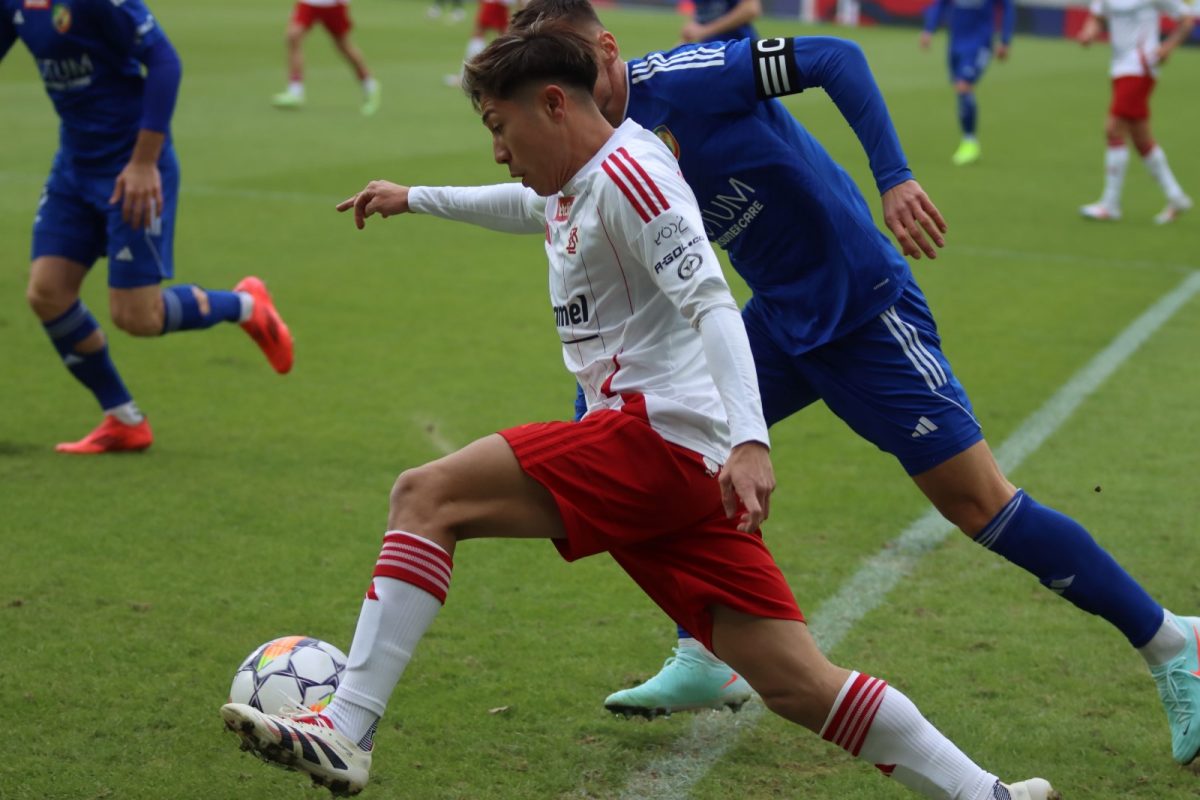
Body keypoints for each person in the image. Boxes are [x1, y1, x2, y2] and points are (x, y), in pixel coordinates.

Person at [220, 25, 1060, 800]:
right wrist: (418, 196)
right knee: (798, 681)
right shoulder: (582, 178)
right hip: (679, 469)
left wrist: (751, 441)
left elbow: (713, 305)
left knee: (425, 496)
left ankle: (347, 726)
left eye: (499, 125)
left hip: (653, 440)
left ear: (554, 103)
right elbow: (532, 208)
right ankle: (985, 793)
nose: (498, 148)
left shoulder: (636, 176)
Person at [423, 0, 1200, 767]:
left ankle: (1171, 643)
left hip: (861, 311)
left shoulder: (692, 77)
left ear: (604, 51)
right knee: (629, 433)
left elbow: (839, 58)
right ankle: (705, 649)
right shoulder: (594, 143)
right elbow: (549, 206)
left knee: (978, 504)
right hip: (780, 320)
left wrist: (893, 179)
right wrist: (418, 196)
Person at [0, 0, 294, 454]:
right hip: (73, 168)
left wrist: (143, 162)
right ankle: (123, 418)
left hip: (132, 170)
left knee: (138, 317)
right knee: (47, 292)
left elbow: (164, 59)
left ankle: (245, 305)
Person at [1076, 0, 1194, 224]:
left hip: (1141, 66)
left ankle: (1110, 204)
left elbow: (1186, 20)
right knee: (1141, 139)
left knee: (1113, 128)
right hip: (1119, 67)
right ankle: (1175, 196)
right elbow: (1097, 17)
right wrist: (1088, 33)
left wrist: (1167, 47)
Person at [919, 0, 1014, 166]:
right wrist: (929, 29)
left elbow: (1007, 7)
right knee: (960, 88)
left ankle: (970, 142)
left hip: (980, 43)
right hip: (955, 44)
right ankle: (969, 141)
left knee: (964, 85)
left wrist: (1005, 40)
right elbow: (940, 4)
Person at [272, 0, 382, 116]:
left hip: (333, 4)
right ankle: (295, 92)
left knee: (344, 46)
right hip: (309, 3)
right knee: (293, 37)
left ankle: (370, 86)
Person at [443, 0, 516, 86]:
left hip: (495, 3)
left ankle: (467, 76)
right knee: (504, 35)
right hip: (499, 4)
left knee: (480, 33)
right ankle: (508, 74)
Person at [684, 0, 760, 43]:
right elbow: (703, 14)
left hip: (738, 47)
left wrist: (705, 30)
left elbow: (750, 9)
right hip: (710, 50)